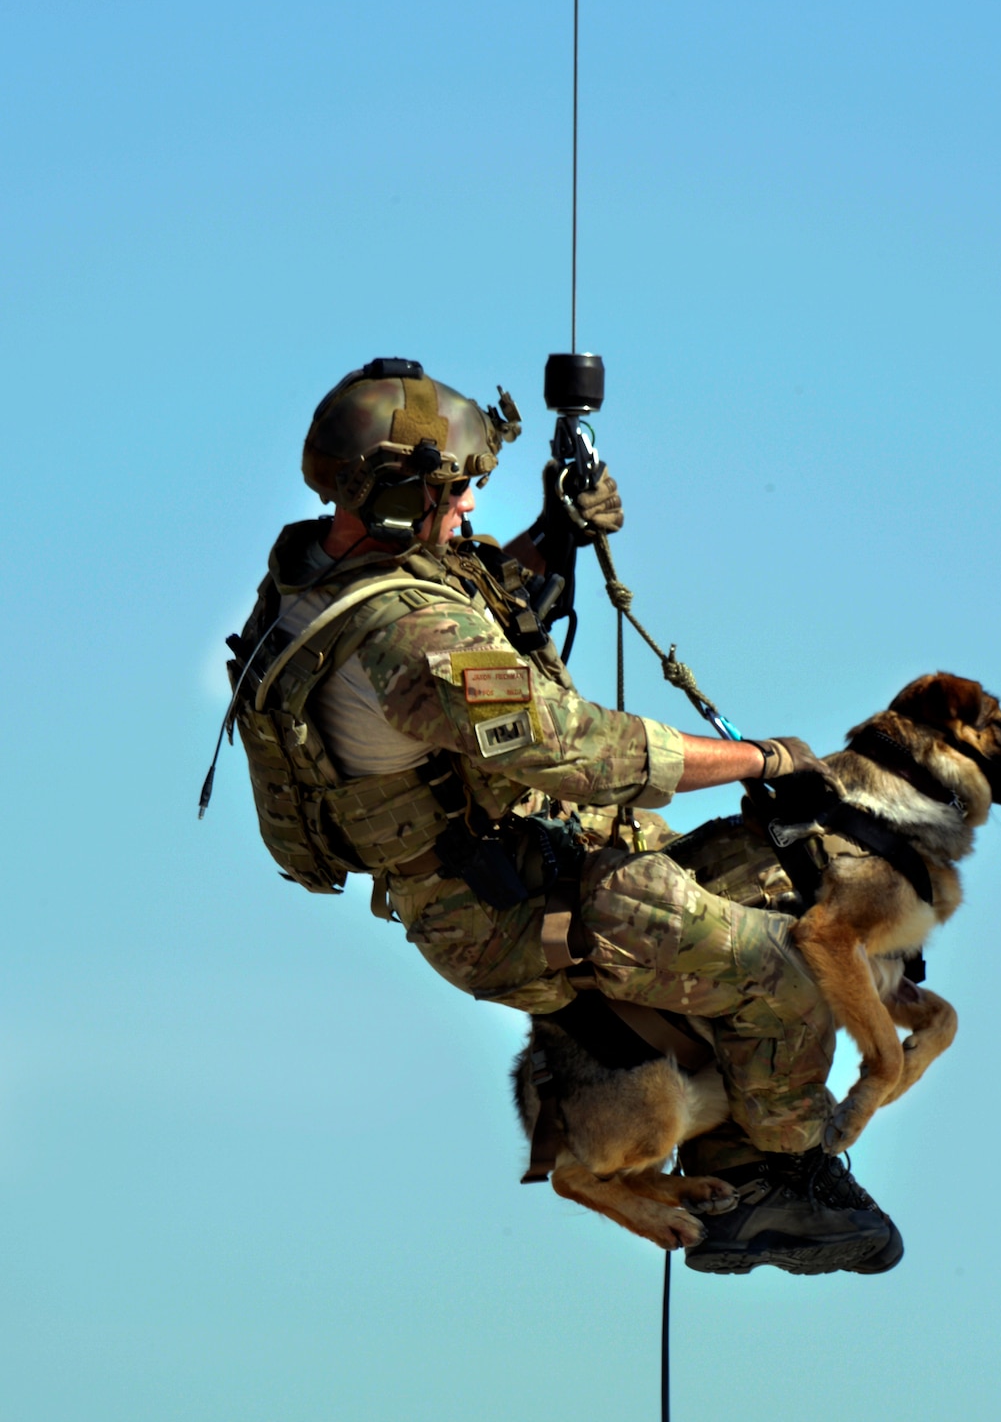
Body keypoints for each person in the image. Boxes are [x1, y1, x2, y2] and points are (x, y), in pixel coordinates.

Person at [226, 358, 902, 1275]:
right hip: (510, 909)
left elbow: (473, 604)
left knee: (777, 877)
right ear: (392, 498)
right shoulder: (401, 635)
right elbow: (570, 748)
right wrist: (764, 758)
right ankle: (777, 1182)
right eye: (452, 492)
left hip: (514, 872)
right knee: (787, 976)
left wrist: (554, 533)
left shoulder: (317, 573)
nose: (465, 511)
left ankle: (730, 1140)